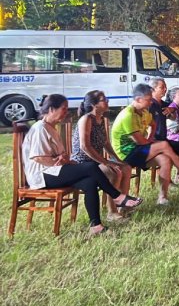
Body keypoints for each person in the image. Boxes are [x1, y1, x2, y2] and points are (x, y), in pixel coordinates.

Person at [23, 94, 143, 235]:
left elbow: (57, 155)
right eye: (63, 108)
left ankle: (96, 227)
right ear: (51, 109)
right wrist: (59, 161)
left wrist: (64, 160)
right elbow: (38, 158)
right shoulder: (40, 128)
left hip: (54, 171)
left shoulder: (51, 127)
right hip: (42, 176)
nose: (66, 112)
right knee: (91, 167)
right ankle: (117, 197)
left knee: (90, 182)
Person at [112, 83, 179, 206]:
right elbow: (140, 142)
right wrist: (152, 142)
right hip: (124, 154)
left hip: (138, 150)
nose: (150, 102)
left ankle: (163, 197)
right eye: (148, 100)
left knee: (165, 159)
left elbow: (153, 124)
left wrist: (151, 138)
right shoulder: (128, 115)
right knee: (163, 145)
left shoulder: (144, 112)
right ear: (138, 99)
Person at [70, 90, 132, 222]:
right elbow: (85, 146)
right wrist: (106, 162)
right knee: (114, 172)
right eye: (104, 100)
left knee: (126, 168)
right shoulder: (86, 119)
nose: (107, 101)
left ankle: (123, 206)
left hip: (96, 161)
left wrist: (117, 160)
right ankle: (112, 212)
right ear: (94, 105)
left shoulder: (102, 119)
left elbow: (106, 143)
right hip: (83, 163)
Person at [148, 78, 179, 167]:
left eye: (165, 87)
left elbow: (173, 117)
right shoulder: (149, 105)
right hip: (153, 140)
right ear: (153, 89)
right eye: (162, 87)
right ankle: (169, 177)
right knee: (167, 156)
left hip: (164, 139)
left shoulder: (165, 104)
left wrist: (172, 110)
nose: (165, 89)